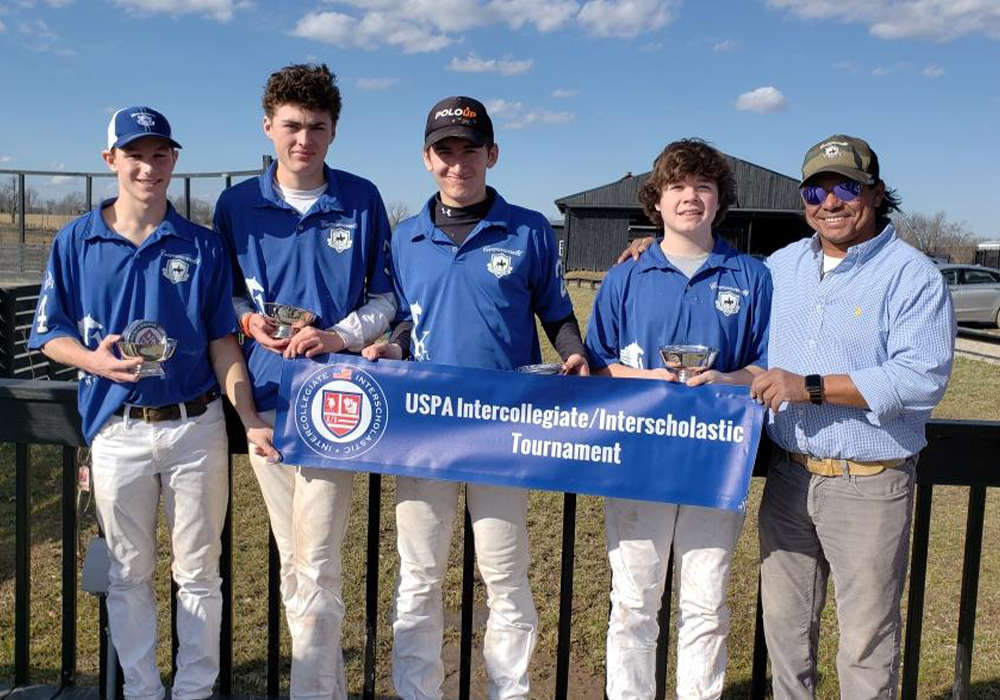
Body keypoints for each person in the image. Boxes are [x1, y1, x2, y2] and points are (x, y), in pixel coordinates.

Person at [28, 106, 278, 700]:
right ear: (110, 160)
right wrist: (94, 360)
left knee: (198, 572)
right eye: (135, 154)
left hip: (196, 426)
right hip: (118, 429)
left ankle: (193, 691)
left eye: (160, 153)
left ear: (173, 161)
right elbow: (50, 333)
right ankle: (141, 690)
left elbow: (223, 341)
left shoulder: (201, 244)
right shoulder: (77, 239)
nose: (148, 166)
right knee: (128, 574)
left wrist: (249, 418)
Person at [362, 96, 588, 700]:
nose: (457, 162)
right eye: (444, 151)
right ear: (427, 159)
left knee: (505, 574)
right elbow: (410, 321)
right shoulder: (405, 236)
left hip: (500, 428)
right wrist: (393, 348)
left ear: (492, 153)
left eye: (469, 149)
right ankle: (418, 692)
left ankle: (507, 692)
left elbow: (557, 313)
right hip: (425, 427)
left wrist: (574, 351)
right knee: (419, 576)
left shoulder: (530, 227)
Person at [749, 135, 954, 699]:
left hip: (868, 484)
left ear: (876, 193)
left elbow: (920, 379)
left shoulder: (912, 276)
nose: (830, 202)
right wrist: (651, 248)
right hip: (789, 476)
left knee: (865, 644)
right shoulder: (782, 266)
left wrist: (808, 387)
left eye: (846, 187)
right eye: (816, 189)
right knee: (786, 635)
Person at [212, 63, 394, 700]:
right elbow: (223, 294)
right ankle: (328, 687)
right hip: (262, 402)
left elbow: (385, 299)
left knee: (313, 561)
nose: (303, 139)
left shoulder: (362, 198)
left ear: (334, 130)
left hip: (338, 402)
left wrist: (339, 336)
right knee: (298, 563)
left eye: (317, 126)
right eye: (291, 125)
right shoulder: (235, 205)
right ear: (268, 126)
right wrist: (246, 319)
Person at [585, 138, 771, 700]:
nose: (691, 198)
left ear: (720, 200)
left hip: (715, 463)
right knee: (635, 603)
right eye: (678, 187)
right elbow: (596, 367)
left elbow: (768, 364)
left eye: (704, 187)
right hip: (639, 458)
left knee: (706, 603)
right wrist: (651, 382)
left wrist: (729, 379)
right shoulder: (626, 276)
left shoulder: (752, 275)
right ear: (657, 201)